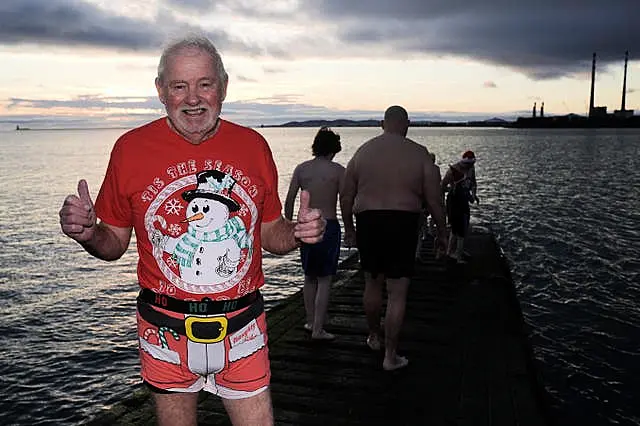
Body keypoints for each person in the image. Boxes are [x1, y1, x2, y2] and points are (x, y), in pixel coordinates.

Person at [58, 34, 325, 426]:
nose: (193, 98)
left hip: (243, 325)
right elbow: (113, 242)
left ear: (223, 87)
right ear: (161, 91)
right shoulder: (130, 149)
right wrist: (87, 232)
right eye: (179, 86)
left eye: (205, 84)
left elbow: (270, 234)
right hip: (163, 329)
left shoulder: (254, 146)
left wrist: (298, 233)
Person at [340, 105, 447, 371]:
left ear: (381, 124)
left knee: (372, 283)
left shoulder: (363, 152)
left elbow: (345, 194)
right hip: (403, 221)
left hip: (369, 221)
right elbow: (434, 200)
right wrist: (442, 233)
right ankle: (390, 356)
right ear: (407, 124)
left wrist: (350, 228)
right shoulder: (419, 154)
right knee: (397, 292)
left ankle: (374, 335)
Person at [284, 127, 345, 341]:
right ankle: (318, 329)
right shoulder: (338, 170)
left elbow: (290, 199)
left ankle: (310, 321)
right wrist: (350, 227)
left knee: (309, 277)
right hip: (327, 225)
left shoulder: (302, 169)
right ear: (334, 149)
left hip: (306, 225)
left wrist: (291, 225)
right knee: (325, 279)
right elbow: (345, 202)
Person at [441, 150, 479, 264]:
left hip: (464, 202)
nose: (470, 166)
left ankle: (453, 251)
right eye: (467, 164)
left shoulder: (471, 169)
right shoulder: (453, 170)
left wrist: (474, 195)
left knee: (461, 228)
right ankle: (457, 257)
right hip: (454, 202)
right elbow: (442, 186)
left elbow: (473, 183)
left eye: (471, 164)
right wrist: (452, 190)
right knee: (459, 229)